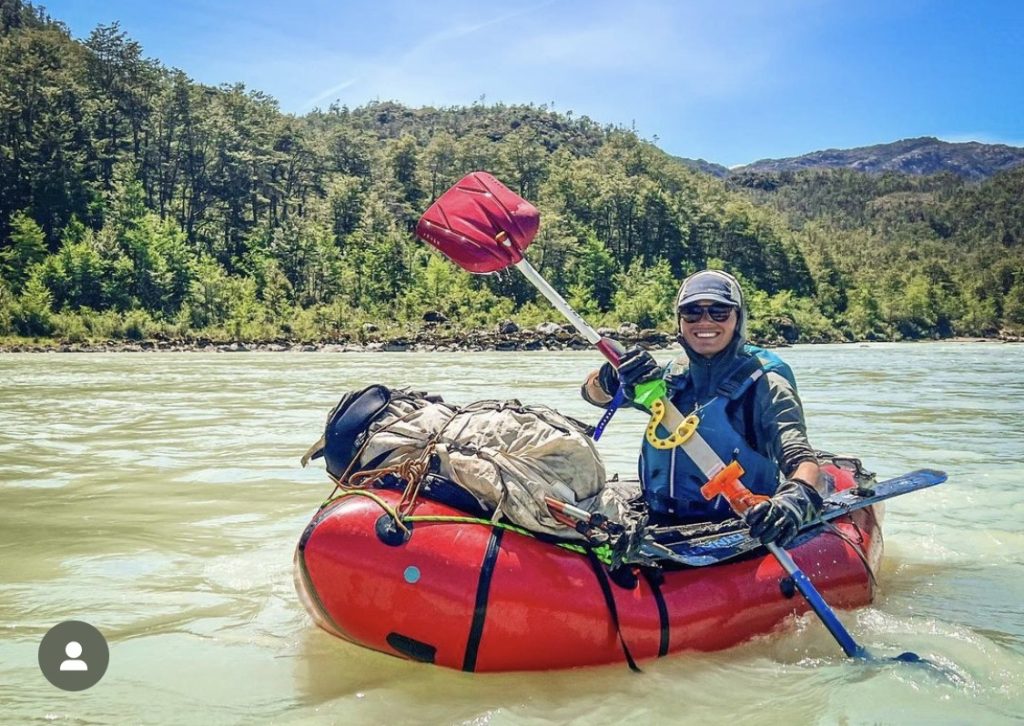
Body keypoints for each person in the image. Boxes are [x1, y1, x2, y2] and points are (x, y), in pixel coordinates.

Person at [581, 269, 822, 547]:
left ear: (737, 319)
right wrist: (611, 377)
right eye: (692, 312)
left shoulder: (765, 379)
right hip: (659, 522)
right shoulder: (669, 377)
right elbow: (592, 394)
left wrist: (794, 500)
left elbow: (801, 458)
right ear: (680, 321)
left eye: (719, 311)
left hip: (741, 529)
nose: (705, 321)